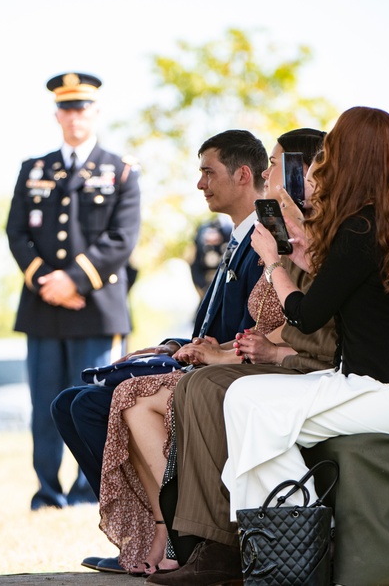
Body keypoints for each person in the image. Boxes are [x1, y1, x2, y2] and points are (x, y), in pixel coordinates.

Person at [151, 107, 389, 586]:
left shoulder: (360, 228)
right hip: (380, 384)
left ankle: (293, 544)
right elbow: (352, 289)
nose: (327, 157)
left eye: (336, 148)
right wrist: (307, 254)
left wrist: (274, 264)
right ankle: (287, 533)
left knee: (259, 413)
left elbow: (307, 314)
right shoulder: (386, 219)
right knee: (244, 399)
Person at [97, 129, 326, 576]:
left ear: (305, 171)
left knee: (148, 397)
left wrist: (224, 356)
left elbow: (299, 325)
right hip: (254, 356)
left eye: (276, 164)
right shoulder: (275, 226)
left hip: (286, 368)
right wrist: (204, 347)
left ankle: (201, 540)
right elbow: (265, 323)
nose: (267, 172)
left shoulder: (311, 234)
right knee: (124, 398)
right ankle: (172, 533)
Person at [55, 129, 267, 573]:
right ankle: (147, 533)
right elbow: (211, 326)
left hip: (232, 377)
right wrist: (172, 346)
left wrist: (198, 354)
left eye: (208, 172)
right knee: (69, 403)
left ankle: (170, 532)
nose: (200, 183)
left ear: (243, 175)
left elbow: (251, 333)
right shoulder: (231, 238)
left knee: (95, 405)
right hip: (197, 364)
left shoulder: (264, 241)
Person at [6, 72, 141, 511]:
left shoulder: (120, 170)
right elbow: (16, 234)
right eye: (66, 108)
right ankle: (47, 491)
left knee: (91, 404)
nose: (74, 116)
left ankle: (89, 492)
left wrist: (74, 280)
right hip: (44, 307)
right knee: (44, 404)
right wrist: (49, 281)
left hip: (95, 308)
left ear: (96, 112)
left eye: (82, 107)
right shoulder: (34, 170)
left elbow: (123, 238)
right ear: (56, 114)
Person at [189, 216, 232, 299]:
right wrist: (203, 287)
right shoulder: (202, 230)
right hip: (207, 286)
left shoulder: (229, 231)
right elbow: (195, 264)